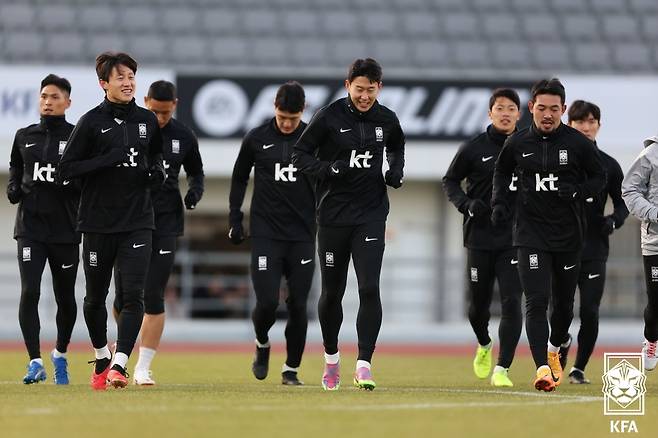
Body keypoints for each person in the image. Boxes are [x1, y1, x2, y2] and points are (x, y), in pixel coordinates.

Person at [292, 58, 405, 391]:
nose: (365, 96)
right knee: (332, 292)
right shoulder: (328, 117)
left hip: (370, 214)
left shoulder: (387, 119)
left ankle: (364, 365)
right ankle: (331, 361)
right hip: (333, 217)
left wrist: (395, 170)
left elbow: (397, 145)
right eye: (359, 89)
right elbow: (300, 155)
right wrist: (328, 170)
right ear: (348, 86)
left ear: (378, 88)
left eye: (371, 90)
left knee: (369, 287)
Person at [56, 52, 166, 390]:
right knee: (94, 298)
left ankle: (120, 365)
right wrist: (106, 160)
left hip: (137, 221)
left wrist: (157, 172)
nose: (128, 81)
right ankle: (103, 354)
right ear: (104, 84)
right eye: (120, 77)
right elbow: (66, 170)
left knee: (133, 296)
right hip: (97, 223)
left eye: (131, 75)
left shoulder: (147, 120)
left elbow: (156, 156)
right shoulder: (90, 122)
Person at [491, 78, 606, 392]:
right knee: (536, 301)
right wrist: (499, 202)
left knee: (564, 306)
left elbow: (600, 177)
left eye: (554, 109)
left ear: (563, 110)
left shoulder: (578, 144)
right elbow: (501, 171)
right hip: (529, 234)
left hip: (569, 237)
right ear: (531, 108)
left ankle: (556, 347)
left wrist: (579, 192)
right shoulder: (517, 143)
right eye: (541, 108)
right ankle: (542, 367)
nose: (547, 114)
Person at [113, 80, 204, 385]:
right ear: (145, 101)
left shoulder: (183, 136)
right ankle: (123, 351)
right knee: (123, 297)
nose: (161, 118)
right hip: (129, 218)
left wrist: (195, 191)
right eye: (155, 111)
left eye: (166, 112)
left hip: (165, 221)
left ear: (174, 105)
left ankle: (142, 366)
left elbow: (196, 171)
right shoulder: (130, 127)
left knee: (153, 295)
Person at [229, 81, 314, 386]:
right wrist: (235, 217)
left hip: (302, 235)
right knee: (267, 302)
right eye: (282, 117)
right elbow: (239, 178)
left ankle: (291, 369)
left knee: (299, 304)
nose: (287, 124)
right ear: (274, 110)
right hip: (266, 233)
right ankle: (262, 343)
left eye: (293, 118)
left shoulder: (313, 138)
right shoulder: (257, 138)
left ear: (302, 113)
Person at [443, 88, 523, 387]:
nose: (505, 113)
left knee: (513, 302)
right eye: (499, 108)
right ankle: (485, 343)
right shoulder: (474, 148)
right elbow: (450, 180)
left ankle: (503, 368)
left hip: (517, 239)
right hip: (479, 238)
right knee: (477, 307)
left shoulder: (527, 147)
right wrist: (467, 204)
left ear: (519, 113)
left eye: (511, 108)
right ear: (490, 113)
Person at [8, 74, 79, 385]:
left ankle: (60, 354)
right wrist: (13, 186)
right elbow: (15, 165)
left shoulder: (78, 136)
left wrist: (72, 184)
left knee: (65, 297)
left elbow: (86, 178)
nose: (48, 102)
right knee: (30, 291)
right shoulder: (25, 135)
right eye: (44, 96)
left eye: (54, 97)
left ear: (67, 102)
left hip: (65, 230)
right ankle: (34, 360)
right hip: (31, 229)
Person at [559, 100, 628, 384]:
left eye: (591, 122)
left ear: (599, 125)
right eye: (579, 122)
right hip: (560, 246)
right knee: (560, 309)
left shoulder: (609, 165)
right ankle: (560, 346)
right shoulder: (559, 161)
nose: (586, 127)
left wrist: (613, 220)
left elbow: (624, 203)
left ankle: (579, 368)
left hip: (594, 247)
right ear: (570, 125)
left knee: (589, 309)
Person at [621, 134, 658, 372]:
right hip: (656, 241)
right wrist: (655, 213)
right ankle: (652, 340)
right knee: (657, 303)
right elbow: (629, 190)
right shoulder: (652, 154)